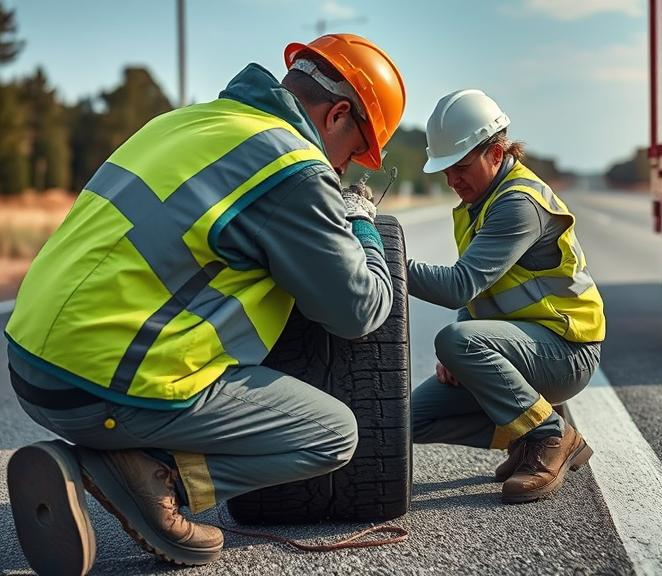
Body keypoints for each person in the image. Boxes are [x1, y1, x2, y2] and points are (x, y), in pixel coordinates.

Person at [5, 33, 406, 575]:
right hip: (105, 386)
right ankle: (155, 475)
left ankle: (120, 459)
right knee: (332, 433)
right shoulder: (293, 168)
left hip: (31, 367)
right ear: (337, 115)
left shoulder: (186, 122)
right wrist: (361, 224)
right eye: (356, 152)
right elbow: (357, 310)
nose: (345, 168)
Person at [408, 89, 605, 504]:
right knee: (405, 420)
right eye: (445, 171)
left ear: (496, 153)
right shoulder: (477, 202)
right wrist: (461, 355)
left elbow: (459, 285)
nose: (452, 180)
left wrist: (387, 265)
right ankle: (534, 425)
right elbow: (479, 291)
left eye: (460, 167)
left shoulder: (517, 204)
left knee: (455, 340)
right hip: (522, 347)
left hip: (566, 349)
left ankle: (549, 436)